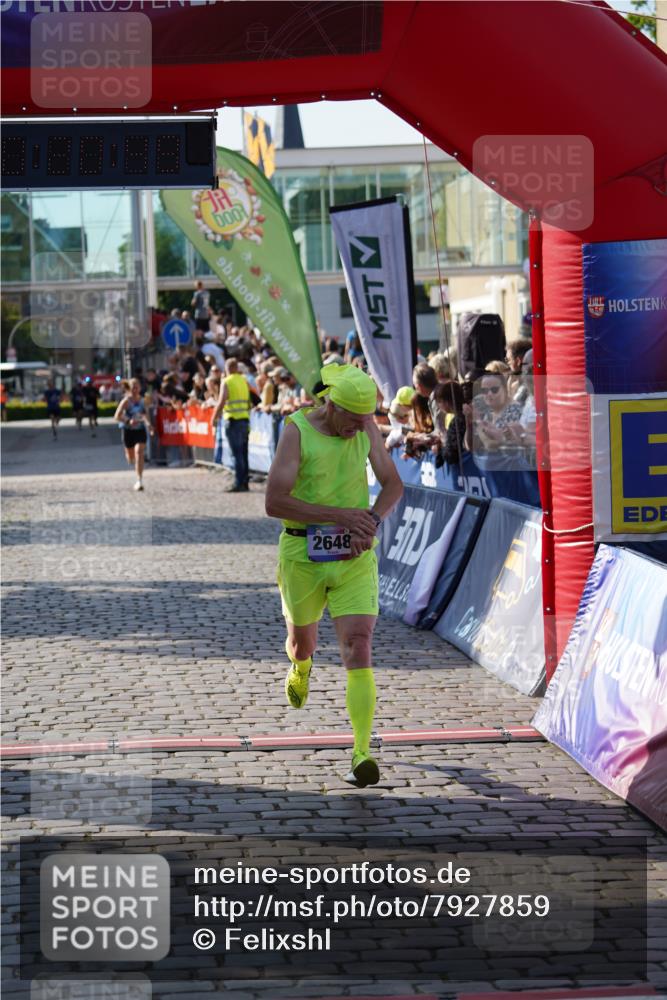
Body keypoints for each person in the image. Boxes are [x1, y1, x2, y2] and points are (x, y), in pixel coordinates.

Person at [265, 364, 403, 788]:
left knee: (358, 644)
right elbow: (274, 501)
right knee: (302, 643)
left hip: (354, 557)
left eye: (366, 420)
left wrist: (371, 522)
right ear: (331, 405)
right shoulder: (297, 431)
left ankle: (361, 752)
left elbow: (392, 485)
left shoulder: (364, 426)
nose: (360, 428)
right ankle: (301, 665)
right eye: (353, 420)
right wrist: (340, 516)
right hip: (302, 554)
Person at [212, 357, 251, 492]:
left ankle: (238, 483)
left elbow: (221, 401)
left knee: (236, 454)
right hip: (244, 420)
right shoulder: (243, 380)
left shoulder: (227, 381)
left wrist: (213, 418)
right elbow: (248, 402)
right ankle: (245, 482)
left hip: (233, 420)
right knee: (244, 453)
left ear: (227, 368)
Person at [114, 378, 153, 491]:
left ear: (140, 388)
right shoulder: (126, 401)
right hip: (128, 431)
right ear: (129, 389)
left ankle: (139, 480)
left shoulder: (143, 401)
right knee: (131, 458)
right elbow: (116, 416)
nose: (135, 390)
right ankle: (133, 461)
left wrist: (149, 425)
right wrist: (128, 421)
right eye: (133, 388)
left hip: (140, 430)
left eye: (137, 387)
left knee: (139, 452)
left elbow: (145, 414)